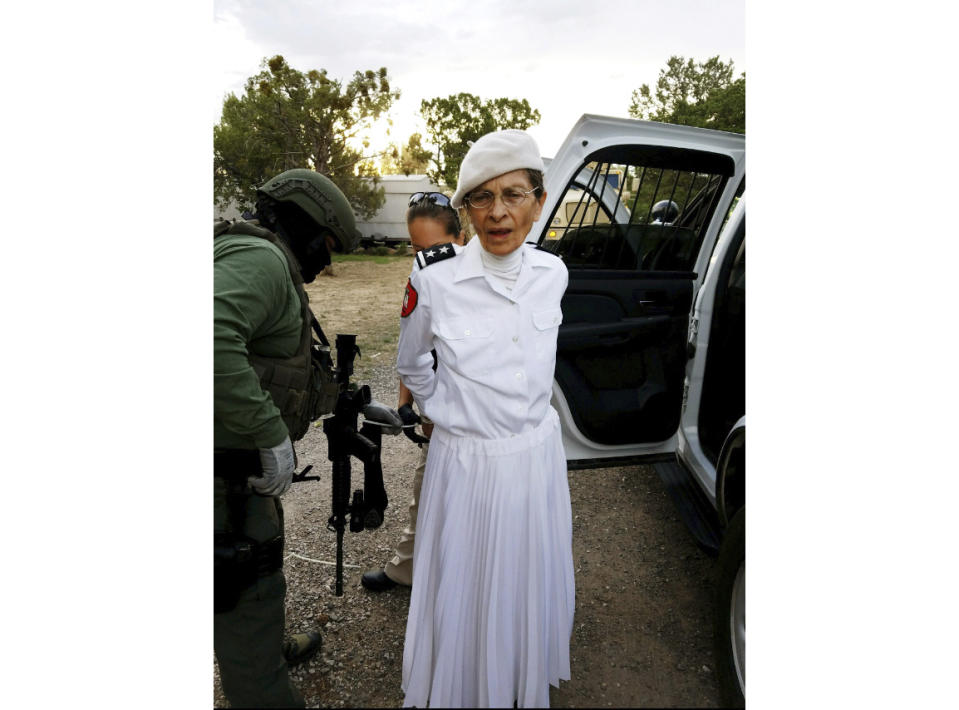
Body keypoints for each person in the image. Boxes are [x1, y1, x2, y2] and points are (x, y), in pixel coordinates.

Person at [397, 130, 574, 708]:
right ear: (466, 209)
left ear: (539, 201)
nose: (499, 212)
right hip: (469, 465)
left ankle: (519, 675)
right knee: (469, 588)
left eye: (515, 194)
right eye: (482, 197)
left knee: (525, 577)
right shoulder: (435, 278)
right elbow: (412, 363)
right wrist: (444, 413)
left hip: (536, 458)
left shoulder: (553, 273)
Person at [214, 168, 359, 707]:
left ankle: (262, 646)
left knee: (257, 570)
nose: (328, 261)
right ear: (305, 223)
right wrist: (270, 432)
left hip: (233, 464)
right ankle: (259, 678)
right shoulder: (262, 260)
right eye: (327, 244)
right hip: (223, 470)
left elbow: (272, 362)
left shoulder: (253, 254)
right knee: (245, 584)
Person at [361, 192, 468, 593]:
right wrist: (408, 407)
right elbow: (414, 350)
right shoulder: (422, 275)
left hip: (467, 414)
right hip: (435, 411)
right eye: (416, 247)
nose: (423, 256)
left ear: (461, 238)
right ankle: (405, 570)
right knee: (425, 493)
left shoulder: (480, 277)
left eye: (434, 247)